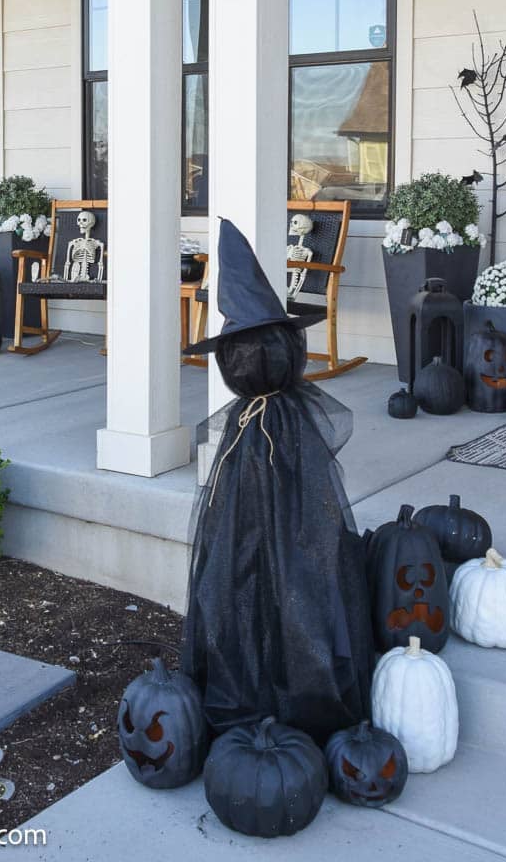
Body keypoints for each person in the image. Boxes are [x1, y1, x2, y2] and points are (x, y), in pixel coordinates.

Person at [181, 219, 374, 744]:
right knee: (243, 559)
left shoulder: (278, 425)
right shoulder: (247, 427)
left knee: (296, 557)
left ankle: (298, 677)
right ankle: (258, 675)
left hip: (273, 430)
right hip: (255, 439)